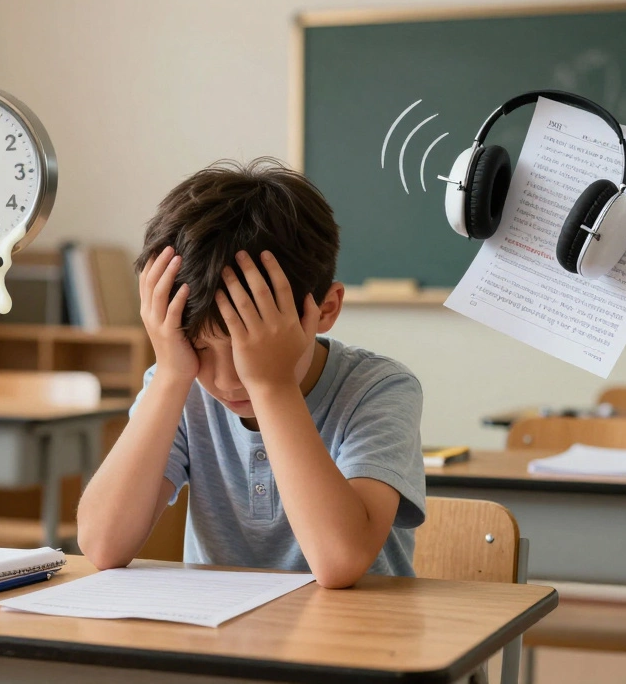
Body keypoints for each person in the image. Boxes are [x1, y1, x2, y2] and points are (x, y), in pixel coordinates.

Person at [77, 158, 424, 588]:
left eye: (248, 348)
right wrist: (169, 374)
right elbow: (102, 544)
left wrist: (272, 385)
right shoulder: (178, 382)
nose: (226, 380)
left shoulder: (380, 388)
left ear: (326, 310)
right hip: (221, 642)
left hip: (359, 644)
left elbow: (339, 561)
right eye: (200, 347)